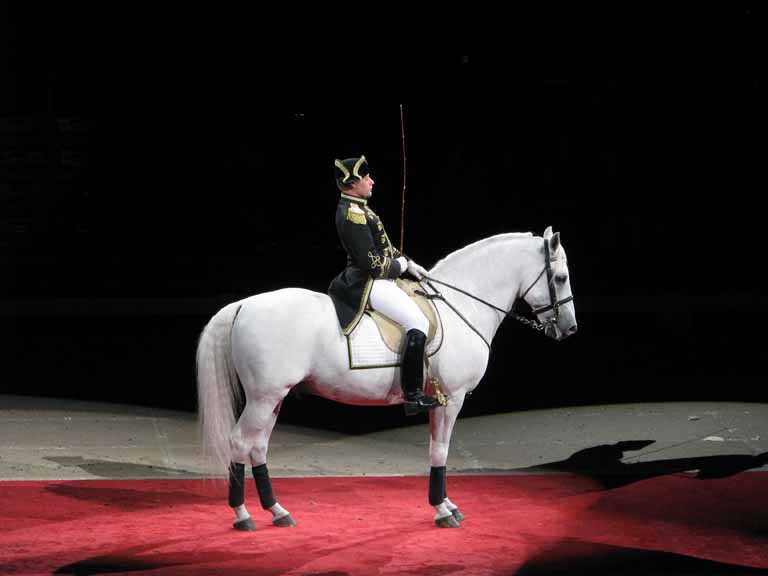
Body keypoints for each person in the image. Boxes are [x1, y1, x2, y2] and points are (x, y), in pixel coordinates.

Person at [328, 155, 440, 414]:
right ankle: (412, 394)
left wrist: (409, 262)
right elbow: (372, 263)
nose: (372, 182)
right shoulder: (352, 214)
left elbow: (385, 247)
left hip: (379, 277)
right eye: (367, 178)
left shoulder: (361, 208)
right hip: (366, 282)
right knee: (418, 323)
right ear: (353, 182)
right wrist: (398, 267)